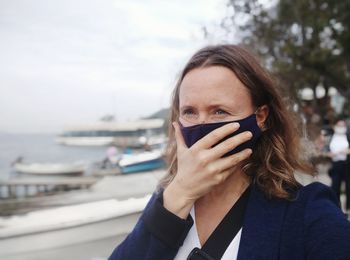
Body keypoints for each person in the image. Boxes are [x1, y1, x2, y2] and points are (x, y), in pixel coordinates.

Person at [109, 45, 350, 260]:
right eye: (190, 112)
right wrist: (179, 193)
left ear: (260, 117)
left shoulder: (306, 212)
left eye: (220, 112)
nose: (202, 125)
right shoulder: (167, 200)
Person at [328, 119, 350, 213]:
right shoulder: (331, 137)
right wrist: (329, 154)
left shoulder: (348, 136)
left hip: (347, 165)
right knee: (335, 187)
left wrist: (347, 151)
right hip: (335, 165)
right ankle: (336, 208)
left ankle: (348, 208)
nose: (341, 127)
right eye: (339, 125)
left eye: (342, 126)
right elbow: (325, 151)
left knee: (348, 186)